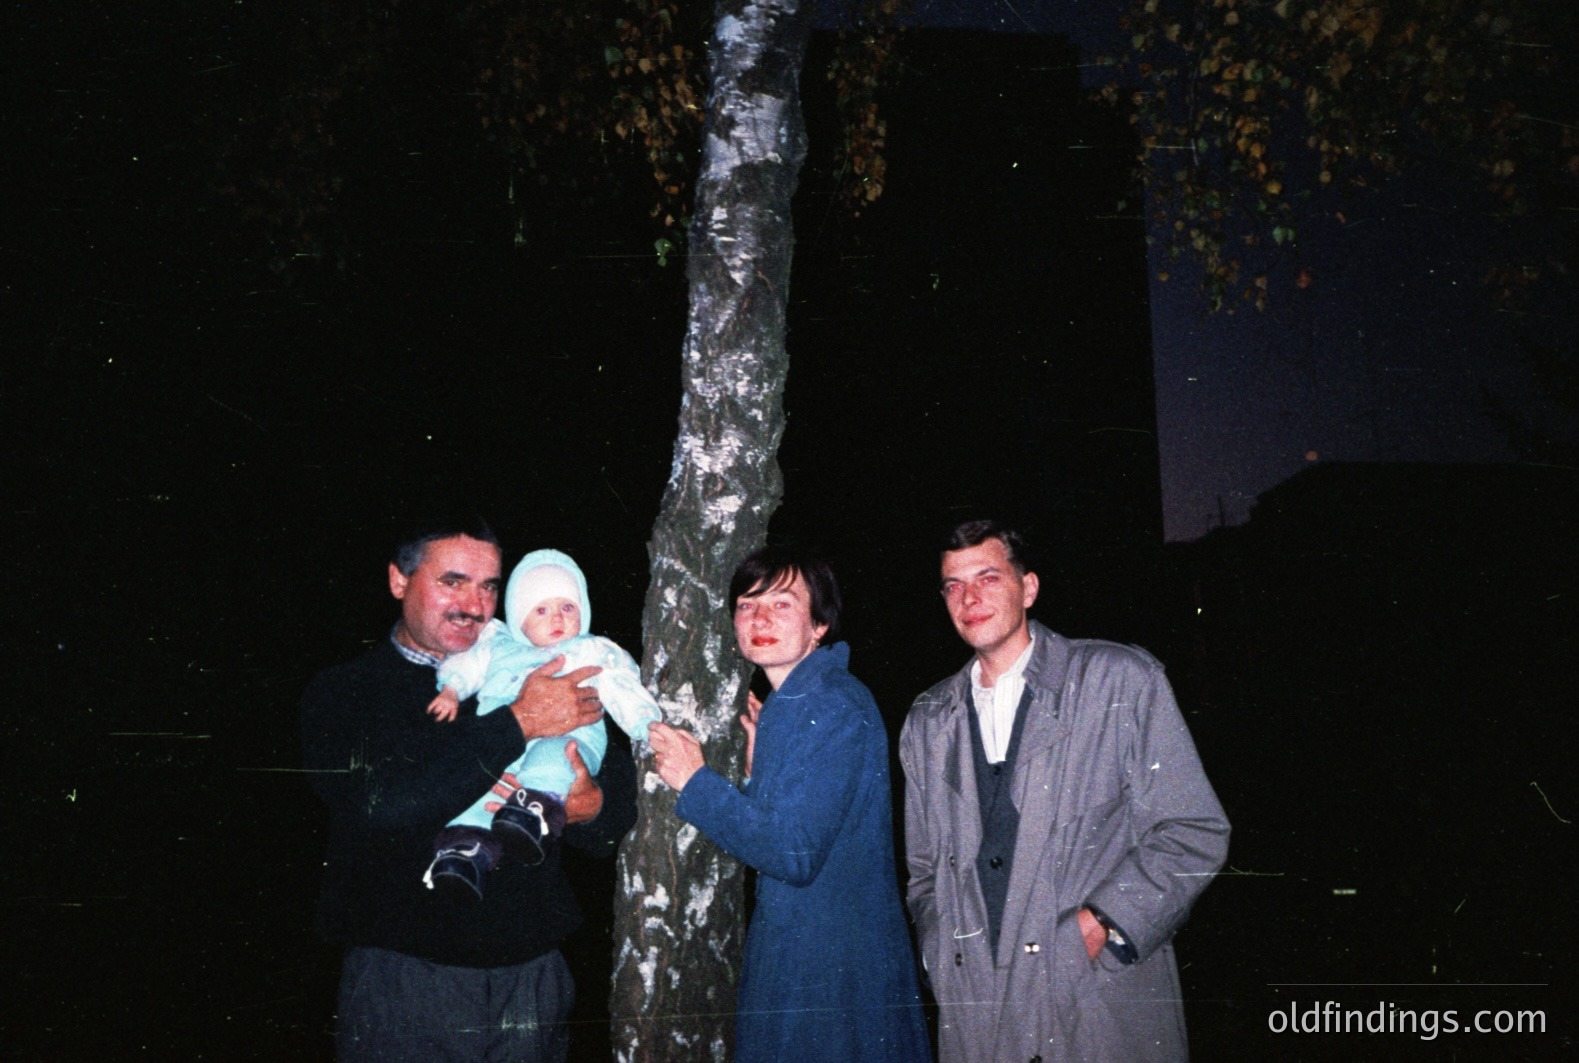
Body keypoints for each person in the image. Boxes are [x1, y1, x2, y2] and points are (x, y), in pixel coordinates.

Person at [301, 518, 637, 1062]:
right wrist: (519, 722)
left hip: (531, 978)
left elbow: (619, 792)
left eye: (488, 587)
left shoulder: (532, 663)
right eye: (452, 582)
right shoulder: (347, 689)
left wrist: (591, 804)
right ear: (399, 580)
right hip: (406, 980)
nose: (474, 605)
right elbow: (379, 802)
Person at [900, 520, 1230, 1062]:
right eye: (953, 585)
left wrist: (1102, 925)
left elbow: (1192, 830)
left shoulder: (1117, 680)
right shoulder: (928, 721)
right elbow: (924, 871)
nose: (969, 598)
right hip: (980, 1012)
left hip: (1094, 1000)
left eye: (987, 578)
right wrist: (941, 954)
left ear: (1028, 588)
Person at [647, 546, 930, 1063]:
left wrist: (695, 782)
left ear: (819, 624)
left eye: (781, 604)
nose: (760, 619)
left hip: (830, 972)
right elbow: (799, 826)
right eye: (747, 605)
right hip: (810, 958)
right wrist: (758, 778)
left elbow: (793, 853)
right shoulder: (796, 702)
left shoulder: (832, 703)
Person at [423, 548, 662, 897]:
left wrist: (645, 724)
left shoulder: (591, 650)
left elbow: (621, 685)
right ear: (519, 619)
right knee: (483, 789)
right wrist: (451, 689)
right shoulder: (497, 644)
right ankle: (465, 851)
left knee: (554, 758)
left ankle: (534, 813)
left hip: (570, 738)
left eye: (568, 607)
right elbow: (467, 664)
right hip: (502, 751)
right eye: (541, 610)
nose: (557, 618)